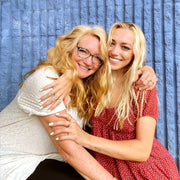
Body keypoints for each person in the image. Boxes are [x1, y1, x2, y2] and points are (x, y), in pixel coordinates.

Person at [50, 22, 179, 179]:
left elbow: (142, 151)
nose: (114, 51)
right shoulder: (94, 78)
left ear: (134, 53)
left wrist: (84, 139)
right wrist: (69, 74)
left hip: (147, 172)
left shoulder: (141, 87)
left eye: (125, 47)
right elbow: (55, 52)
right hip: (104, 172)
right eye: (111, 43)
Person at [0, 25, 117, 180]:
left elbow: (125, 69)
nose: (89, 61)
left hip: (49, 160)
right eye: (83, 51)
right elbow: (68, 148)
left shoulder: (85, 88)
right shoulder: (46, 81)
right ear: (69, 48)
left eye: (98, 57)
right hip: (12, 161)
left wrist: (146, 72)